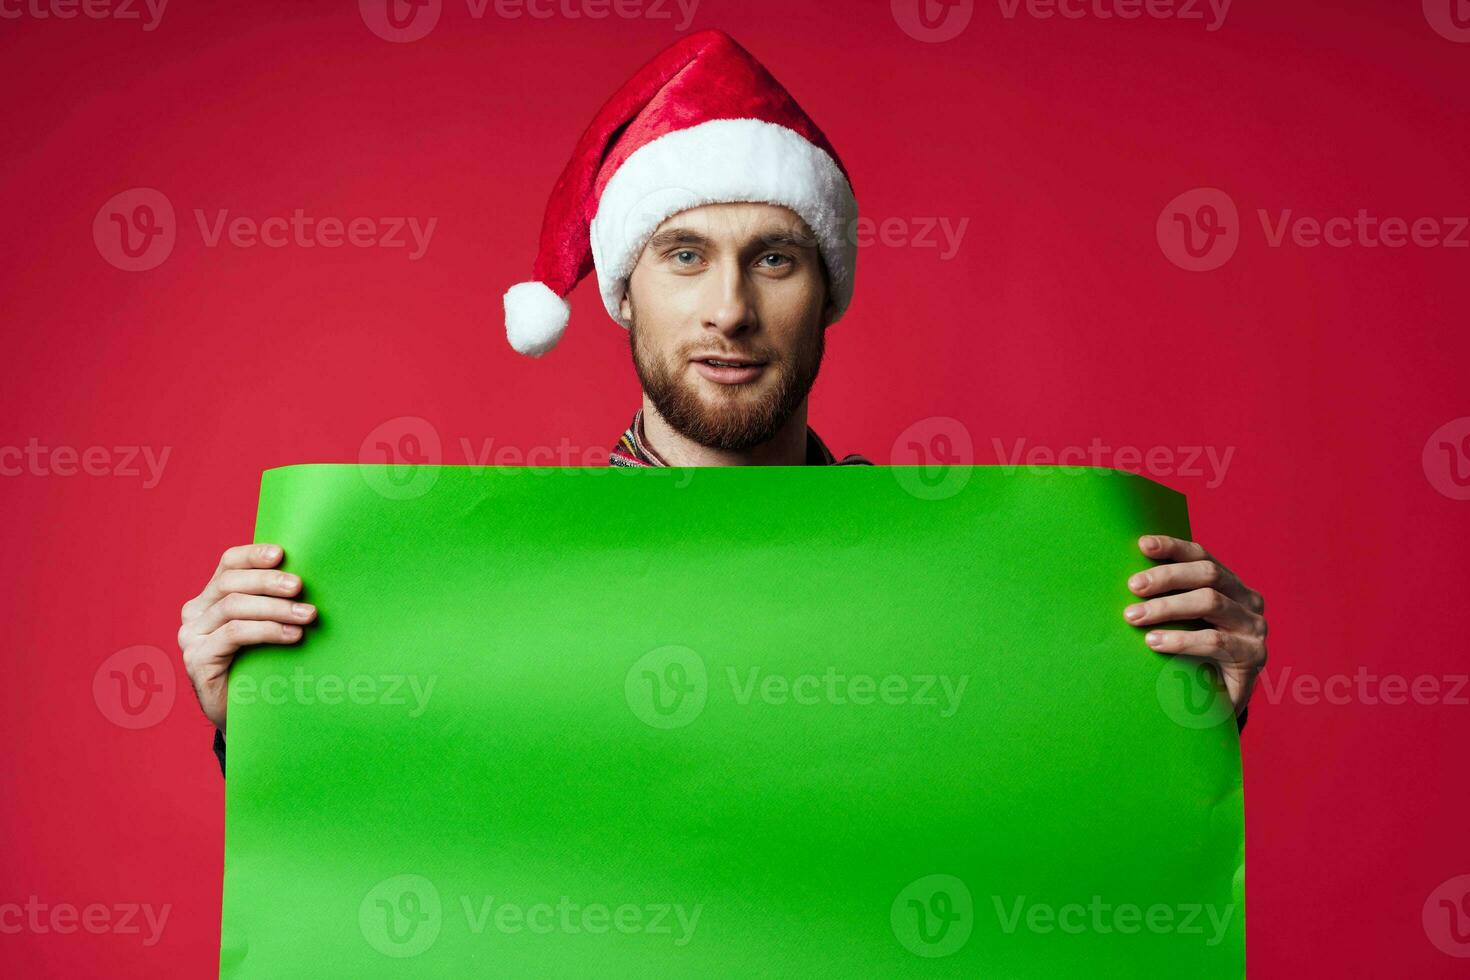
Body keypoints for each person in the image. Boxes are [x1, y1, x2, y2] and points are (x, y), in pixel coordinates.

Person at [178, 30, 1267, 775]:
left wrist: (1186, 716)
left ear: (827, 291)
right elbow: (395, 836)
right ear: (623, 292)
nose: (730, 310)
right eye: (686, 255)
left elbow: (1052, 834)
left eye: (775, 258)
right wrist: (261, 716)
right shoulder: (492, 585)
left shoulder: (970, 584)